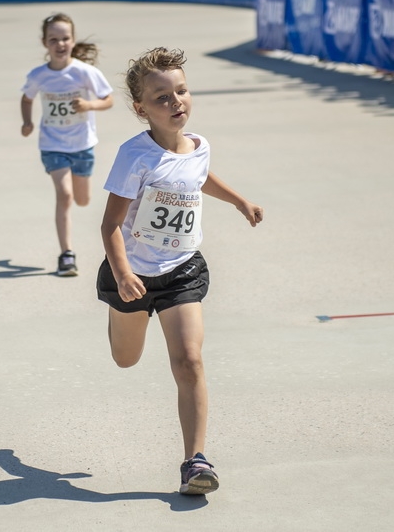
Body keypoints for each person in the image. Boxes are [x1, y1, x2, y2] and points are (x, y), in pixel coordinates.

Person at [97, 47, 263, 496]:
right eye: (162, 97)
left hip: (182, 270)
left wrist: (240, 200)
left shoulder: (199, 145)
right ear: (140, 109)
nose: (177, 102)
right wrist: (125, 274)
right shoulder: (135, 156)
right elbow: (110, 225)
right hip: (131, 275)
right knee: (125, 358)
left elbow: (199, 175)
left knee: (189, 360)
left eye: (182, 91)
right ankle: (118, 321)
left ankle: (195, 462)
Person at [20, 13, 114, 276]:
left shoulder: (85, 72)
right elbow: (27, 99)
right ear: (44, 43)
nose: (60, 44)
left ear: (72, 40)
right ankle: (66, 255)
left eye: (65, 38)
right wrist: (27, 122)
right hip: (52, 145)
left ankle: (68, 247)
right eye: (54, 39)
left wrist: (89, 105)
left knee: (82, 200)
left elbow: (108, 99)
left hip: (82, 145)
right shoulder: (38, 75)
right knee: (65, 195)